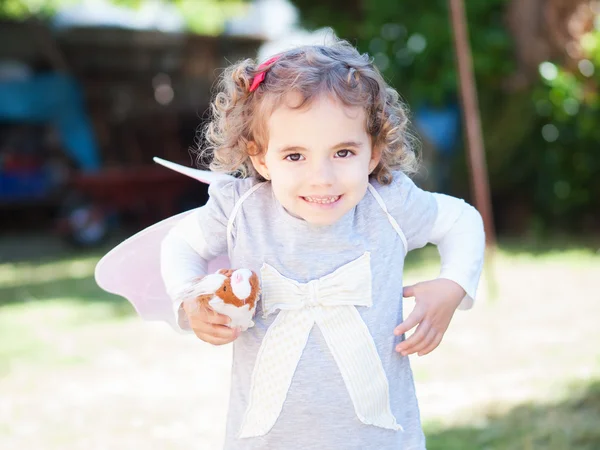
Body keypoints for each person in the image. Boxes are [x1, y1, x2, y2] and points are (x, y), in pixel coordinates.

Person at [160, 39, 485, 450]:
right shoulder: (240, 210)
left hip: (380, 440)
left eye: (343, 152)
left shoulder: (386, 205)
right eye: (295, 156)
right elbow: (179, 244)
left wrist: (452, 286)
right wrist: (189, 298)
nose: (322, 177)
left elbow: (462, 221)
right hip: (267, 441)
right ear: (261, 159)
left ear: (373, 153)